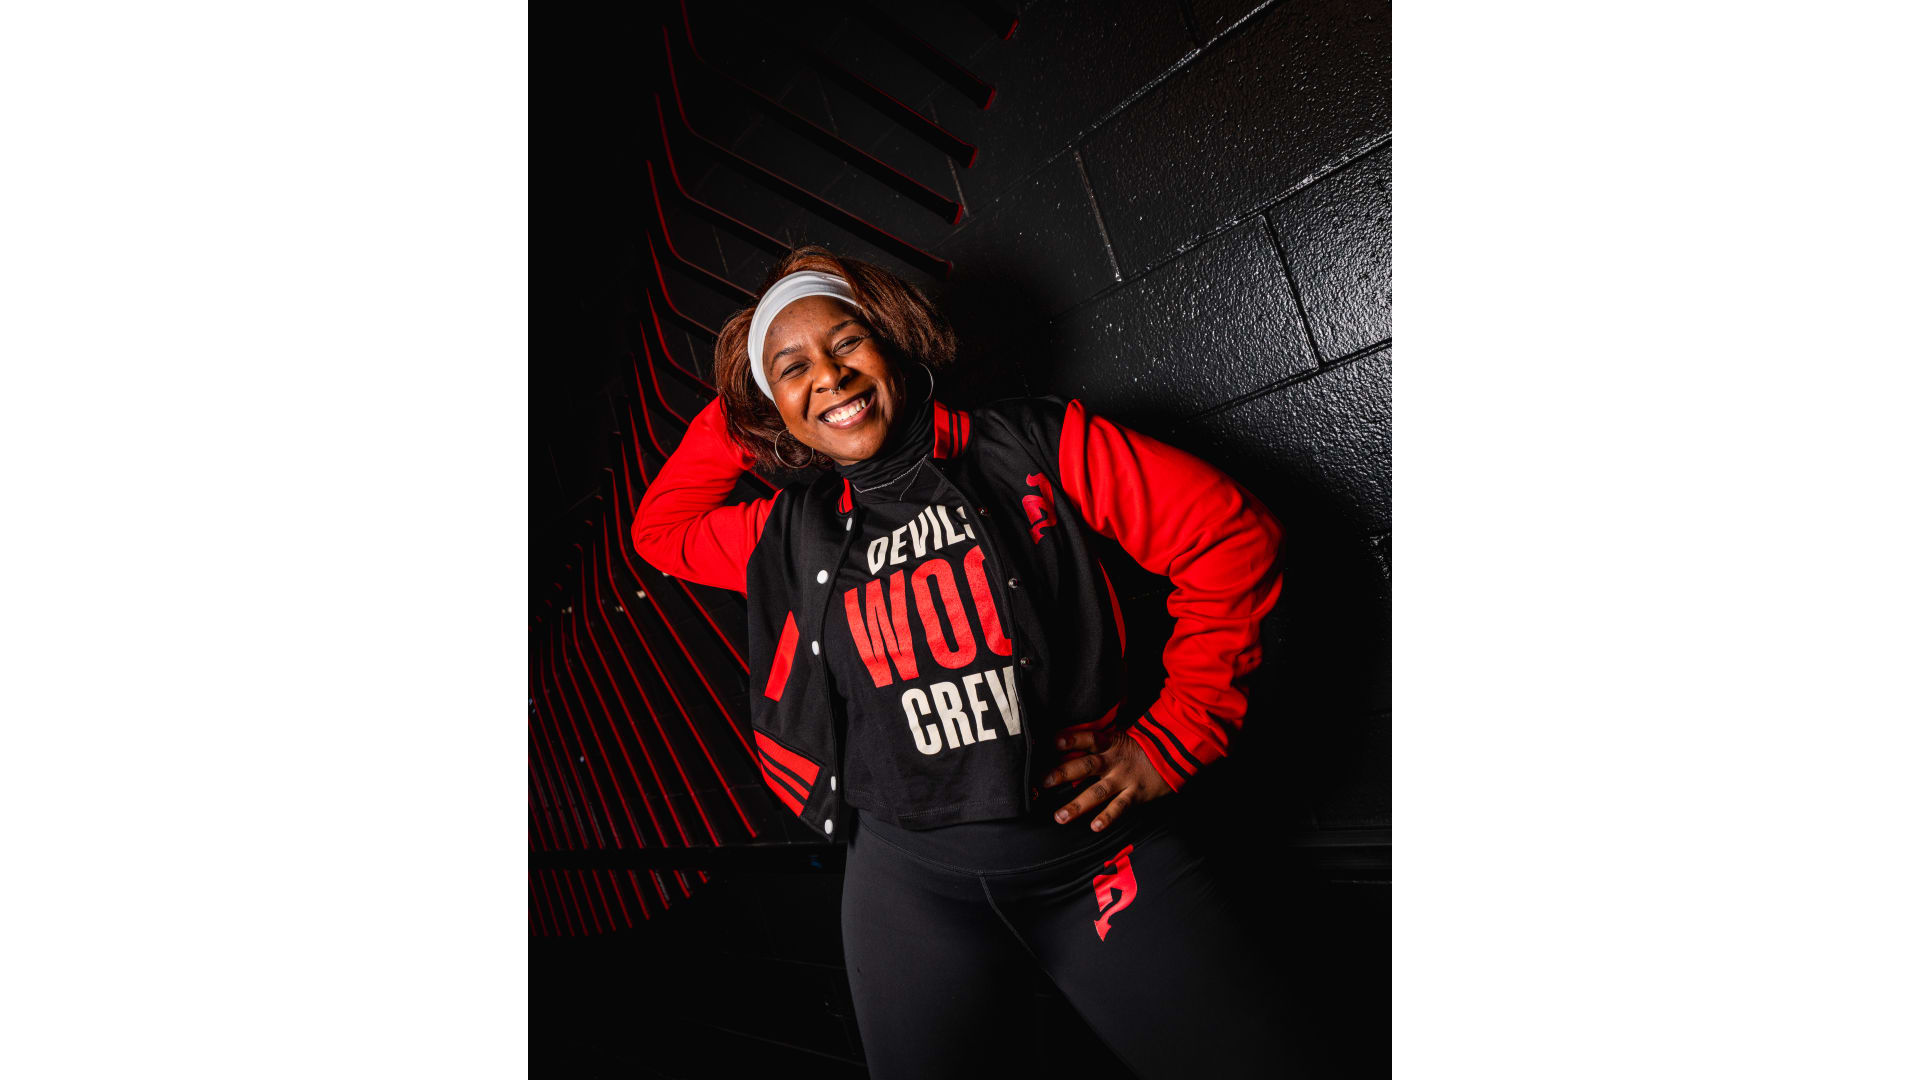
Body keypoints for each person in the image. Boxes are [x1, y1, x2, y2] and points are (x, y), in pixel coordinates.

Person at [632, 246, 1299, 1078]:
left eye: (846, 342)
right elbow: (659, 530)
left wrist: (1178, 736)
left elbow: (1231, 537)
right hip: (906, 886)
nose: (830, 376)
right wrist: (757, 403)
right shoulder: (788, 530)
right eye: (793, 367)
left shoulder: (1034, 444)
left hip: (1095, 860)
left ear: (890, 339)